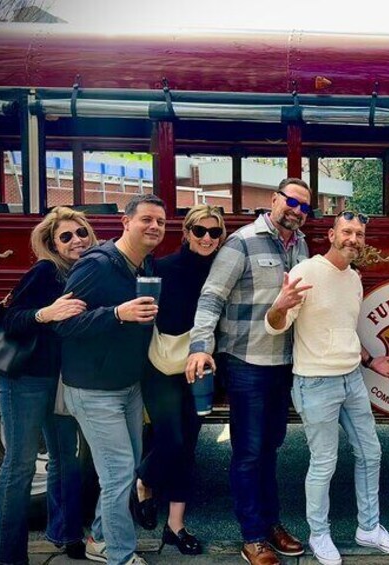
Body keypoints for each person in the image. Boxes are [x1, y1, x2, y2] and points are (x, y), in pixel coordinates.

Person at [264, 210, 389, 565]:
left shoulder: (354, 279)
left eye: (359, 234)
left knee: (370, 453)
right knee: (324, 462)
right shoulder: (306, 272)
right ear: (331, 234)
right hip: (315, 382)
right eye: (347, 232)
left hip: (352, 378)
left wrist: (369, 360)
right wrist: (279, 306)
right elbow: (275, 326)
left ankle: (369, 528)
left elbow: (345, 329)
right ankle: (319, 534)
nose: (353, 239)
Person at [186, 178, 311, 565]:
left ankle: (271, 524)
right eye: (291, 201)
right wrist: (200, 347)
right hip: (246, 363)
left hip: (283, 364)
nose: (297, 210)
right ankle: (252, 537)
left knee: (270, 449)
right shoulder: (240, 242)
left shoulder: (301, 245)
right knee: (248, 452)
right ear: (274, 199)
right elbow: (212, 297)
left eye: (305, 206)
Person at [56, 194, 167, 565]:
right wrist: (117, 313)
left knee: (128, 466)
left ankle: (101, 538)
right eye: (146, 220)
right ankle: (120, 556)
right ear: (126, 222)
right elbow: (64, 324)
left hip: (127, 386)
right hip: (93, 390)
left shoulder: (142, 264)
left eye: (161, 222)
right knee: (119, 475)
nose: (154, 227)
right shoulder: (97, 265)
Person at [0, 207, 95, 565]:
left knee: (66, 459)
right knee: (19, 465)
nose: (76, 240)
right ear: (52, 244)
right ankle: (4, 556)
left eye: (81, 232)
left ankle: (66, 534)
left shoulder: (83, 271)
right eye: (66, 236)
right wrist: (45, 313)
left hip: (60, 379)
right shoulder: (45, 271)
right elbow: (10, 319)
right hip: (25, 379)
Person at [135, 205, 226, 555]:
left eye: (214, 232)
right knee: (170, 438)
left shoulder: (221, 271)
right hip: (163, 364)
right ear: (186, 233)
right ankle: (144, 481)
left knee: (187, 442)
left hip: (201, 365)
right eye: (199, 231)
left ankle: (175, 526)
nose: (206, 238)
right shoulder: (162, 268)